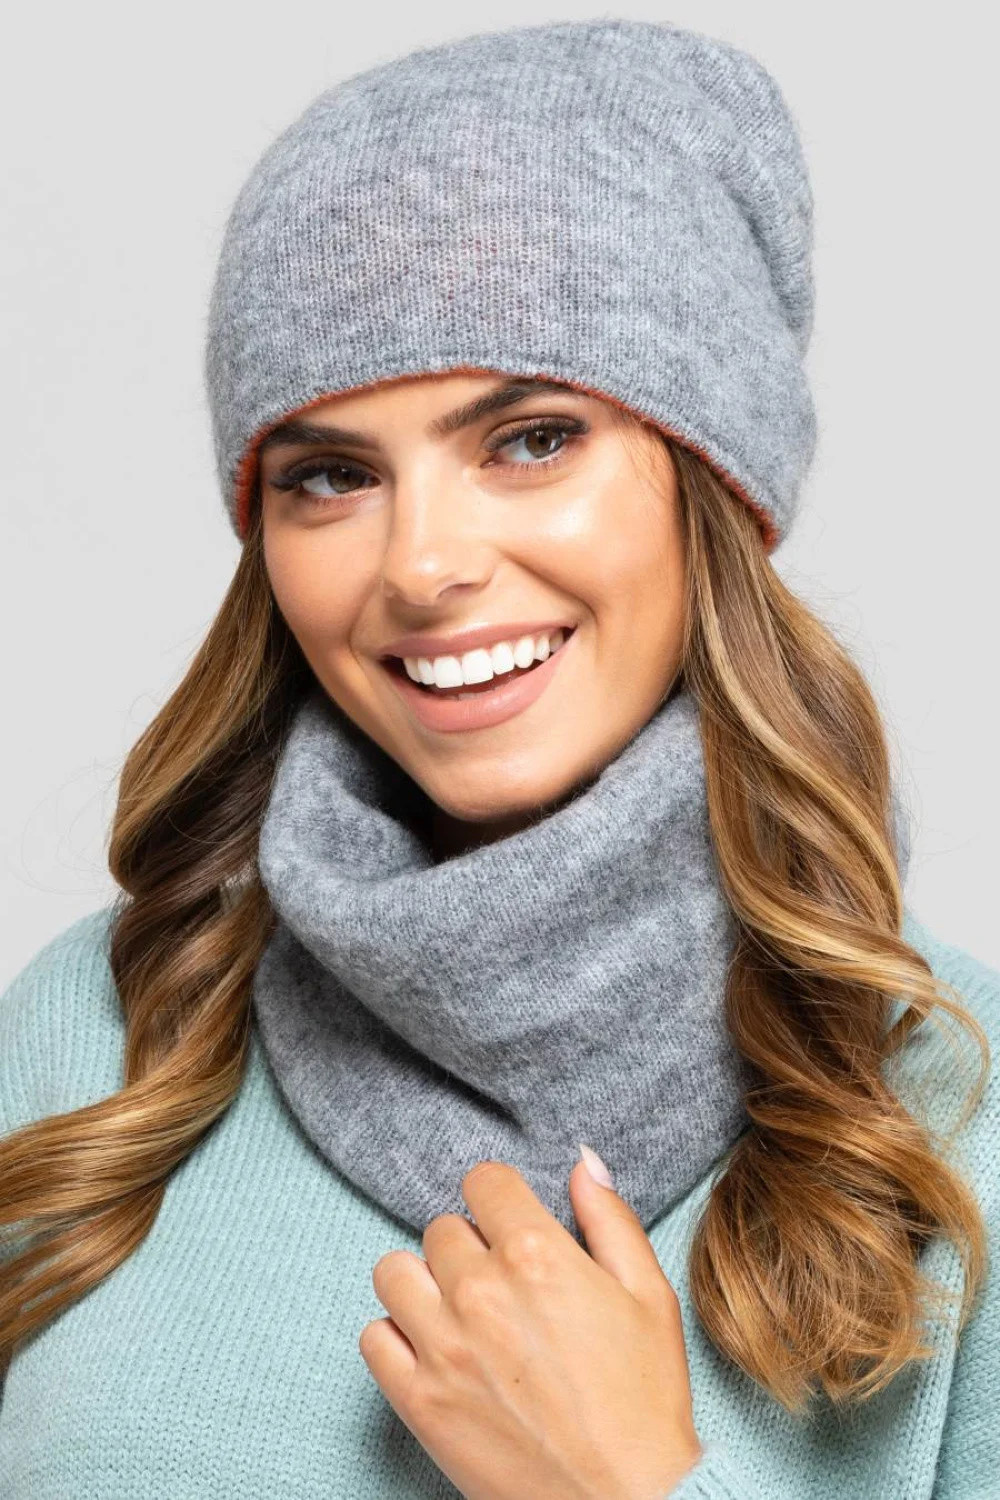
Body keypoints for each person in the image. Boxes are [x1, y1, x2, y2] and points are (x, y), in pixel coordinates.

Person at [1, 17, 996, 1500]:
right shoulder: (100, 1041)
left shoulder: (958, 1104)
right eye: (330, 475)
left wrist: (627, 1483)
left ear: (714, 486)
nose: (423, 564)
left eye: (530, 439)